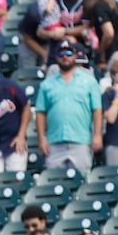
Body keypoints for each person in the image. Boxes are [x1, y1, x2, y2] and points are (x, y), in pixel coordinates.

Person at [34, 43, 103, 171]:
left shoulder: (89, 81)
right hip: (54, 142)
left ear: (75, 56)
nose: (65, 57)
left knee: (81, 182)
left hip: (81, 140)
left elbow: (97, 110)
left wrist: (97, 135)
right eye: (61, 53)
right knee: (54, 182)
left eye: (69, 53)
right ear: (56, 57)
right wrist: (41, 138)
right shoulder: (47, 84)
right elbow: (40, 112)